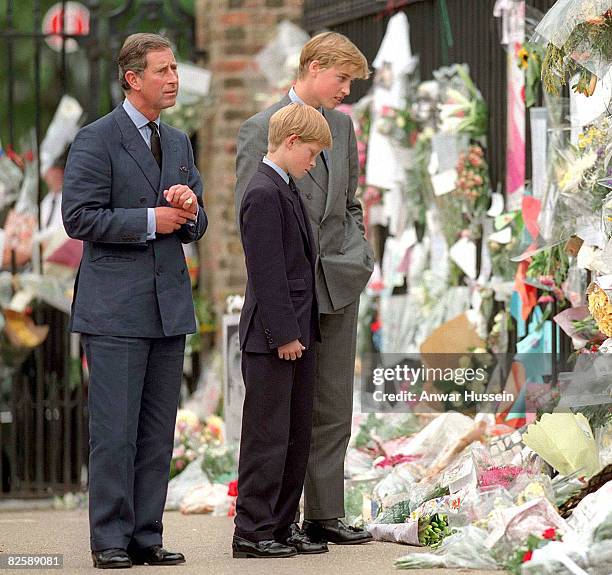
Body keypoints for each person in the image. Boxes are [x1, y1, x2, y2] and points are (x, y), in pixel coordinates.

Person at [62, 33, 207, 569]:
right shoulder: (96, 139)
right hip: (115, 309)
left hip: (168, 306)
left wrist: (189, 208)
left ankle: (148, 534)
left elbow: (198, 223)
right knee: (115, 432)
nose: (173, 79)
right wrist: (152, 220)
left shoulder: (178, 142)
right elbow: (78, 217)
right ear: (133, 78)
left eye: (175, 70)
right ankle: (110, 539)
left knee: (155, 432)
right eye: (164, 70)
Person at [235, 32, 374, 546]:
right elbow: (254, 214)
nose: (346, 90)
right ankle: (274, 521)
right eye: (341, 78)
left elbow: (351, 201)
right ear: (313, 66)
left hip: (340, 281)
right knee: (282, 413)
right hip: (292, 287)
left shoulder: (343, 127)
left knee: (334, 403)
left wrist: (360, 254)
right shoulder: (262, 128)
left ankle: (324, 512)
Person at [233, 103, 331, 559]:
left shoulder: (285, 186)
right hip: (275, 335)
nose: (313, 163)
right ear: (291, 143)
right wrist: (285, 333)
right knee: (267, 434)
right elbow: (267, 272)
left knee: (296, 432)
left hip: (298, 331)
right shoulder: (262, 191)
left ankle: (282, 522)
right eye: (311, 153)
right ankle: (252, 530)